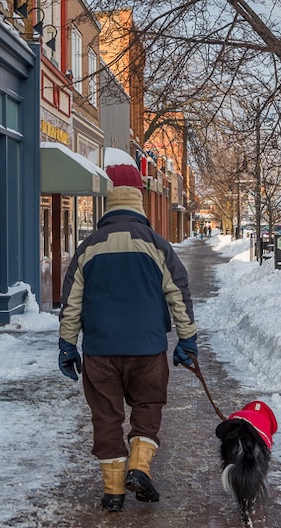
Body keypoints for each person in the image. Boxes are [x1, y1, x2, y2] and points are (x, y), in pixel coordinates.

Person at [58, 147, 198, 513]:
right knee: (147, 406)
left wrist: (67, 345)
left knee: (106, 416)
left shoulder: (88, 247)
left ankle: (113, 490)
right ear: (139, 200)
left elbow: (71, 303)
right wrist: (187, 338)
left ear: (108, 203)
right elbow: (178, 293)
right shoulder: (157, 245)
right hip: (147, 349)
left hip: (100, 351)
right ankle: (139, 466)